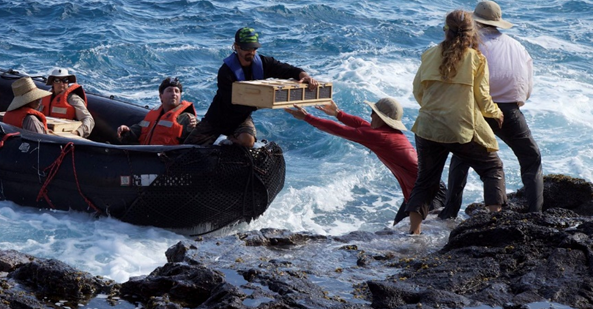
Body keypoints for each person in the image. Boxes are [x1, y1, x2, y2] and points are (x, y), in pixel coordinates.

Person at [405, 9, 506, 235]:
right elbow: (482, 98)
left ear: (446, 31)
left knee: (425, 181)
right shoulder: (476, 59)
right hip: (459, 128)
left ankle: (414, 233)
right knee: (492, 167)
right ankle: (495, 223)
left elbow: (417, 91)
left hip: (427, 126)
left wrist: (434, 107)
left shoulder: (430, 53)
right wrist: (496, 113)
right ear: (472, 33)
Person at [441, 0, 543, 217]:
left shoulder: (468, 45)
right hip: (509, 111)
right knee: (530, 158)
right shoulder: (517, 46)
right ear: (497, 23)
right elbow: (526, 88)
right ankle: (536, 212)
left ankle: (449, 212)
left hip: (475, 109)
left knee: (462, 158)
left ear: (475, 22)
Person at [285, 98, 446, 224]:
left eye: (373, 112)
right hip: (418, 191)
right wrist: (338, 113)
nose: (370, 115)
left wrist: (307, 117)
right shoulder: (387, 131)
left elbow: (340, 130)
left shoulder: (380, 137)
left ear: (381, 118)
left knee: (424, 236)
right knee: (400, 230)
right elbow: (360, 123)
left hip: (430, 192)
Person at [185, 27, 318, 148]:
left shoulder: (263, 63)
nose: (251, 52)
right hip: (216, 119)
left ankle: (226, 144)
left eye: (254, 48)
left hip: (241, 119)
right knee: (188, 149)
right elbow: (231, 102)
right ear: (236, 47)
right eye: (247, 48)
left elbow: (286, 69)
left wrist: (303, 75)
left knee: (247, 142)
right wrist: (261, 103)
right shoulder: (225, 71)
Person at [118, 77, 198, 145]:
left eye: (176, 91)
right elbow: (141, 129)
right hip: (146, 156)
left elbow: (198, 138)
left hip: (167, 159)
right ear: (161, 96)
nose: (174, 94)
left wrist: (191, 129)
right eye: (169, 91)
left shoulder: (186, 118)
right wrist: (128, 130)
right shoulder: (154, 114)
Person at [44, 68, 95, 139]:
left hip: (65, 138)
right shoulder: (46, 96)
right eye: (57, 80)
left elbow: (88, 119)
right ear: (52, 83)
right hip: (45, 134)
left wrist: (77, 132)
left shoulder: (73, 99)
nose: (61, 84)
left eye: (65, 80)